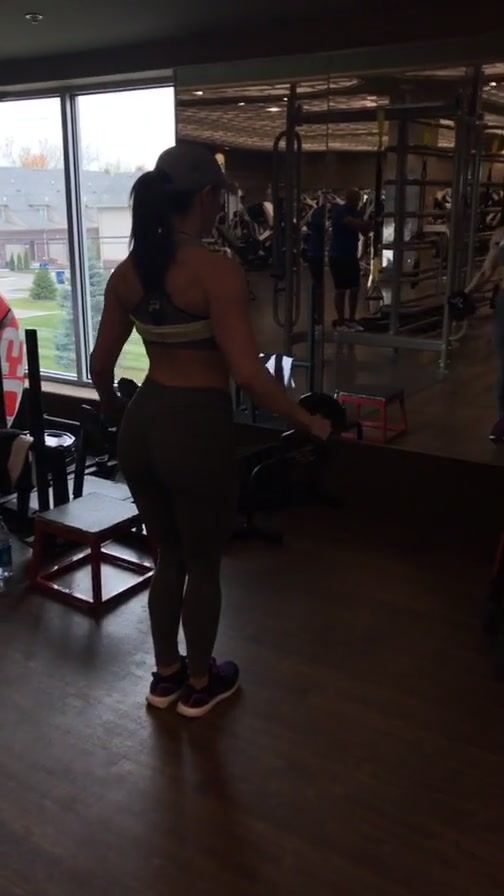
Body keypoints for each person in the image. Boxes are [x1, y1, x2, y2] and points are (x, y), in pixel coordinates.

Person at [90, 143, 331, 719]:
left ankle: (166, 676)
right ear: (204, 198)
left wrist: (120, 413)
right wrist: (307, 419)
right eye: (219, 198)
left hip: (142, 425)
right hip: (195, 429)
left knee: (168, 556)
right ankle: (201, 683)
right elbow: (248, 374)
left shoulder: (128, 273)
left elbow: (101, 367)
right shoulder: (217, 271)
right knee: (203, 564)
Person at [467, 219, 504, 441]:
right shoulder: (501, 235)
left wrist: (466, 294)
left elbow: (486, 272)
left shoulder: (501, 235)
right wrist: (465, 295)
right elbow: (486, 271)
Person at [329, 188, 372, 333]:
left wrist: (365, 224)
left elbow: (364, 231)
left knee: (354, 289)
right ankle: (341, 322)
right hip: (338, 255)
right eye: (356, 200)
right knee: (341, 290)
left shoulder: (356, 212)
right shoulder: (339, 211)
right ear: (350, 200)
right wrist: (364, 223)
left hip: (351, 256)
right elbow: (354, 224)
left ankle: (352, 320)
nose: (357, 202)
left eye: (358, 200)